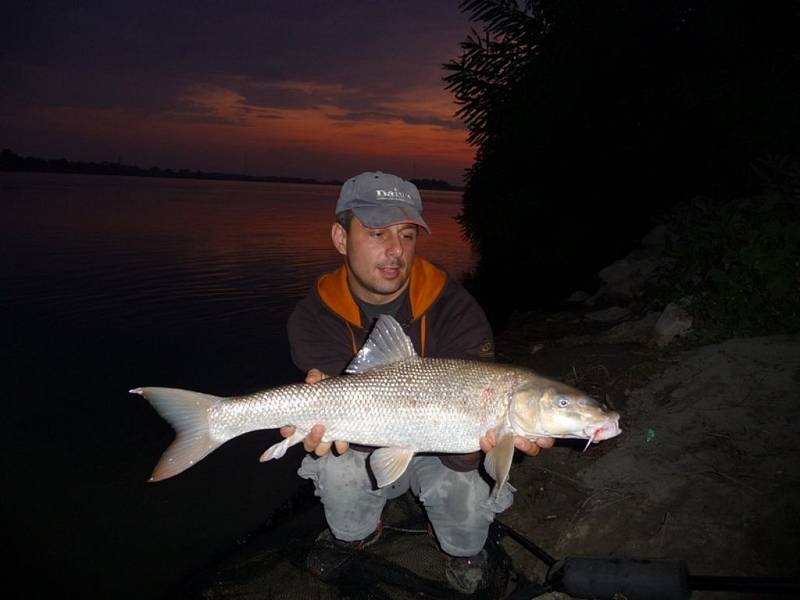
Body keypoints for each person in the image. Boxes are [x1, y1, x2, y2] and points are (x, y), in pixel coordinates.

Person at [281, 171, 554, 594]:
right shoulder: (312, 317)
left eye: (407, 235)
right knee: (337, 471)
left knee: (467, 502)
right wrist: (316, 415)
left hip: (442, 448)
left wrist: (484, 444)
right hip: (360, 440)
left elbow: (467, 452)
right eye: (376, 233)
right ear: (340, 237)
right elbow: (341, 411)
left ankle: (460, 550)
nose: (395, 251)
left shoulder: (456, 308)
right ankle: (359, 533)